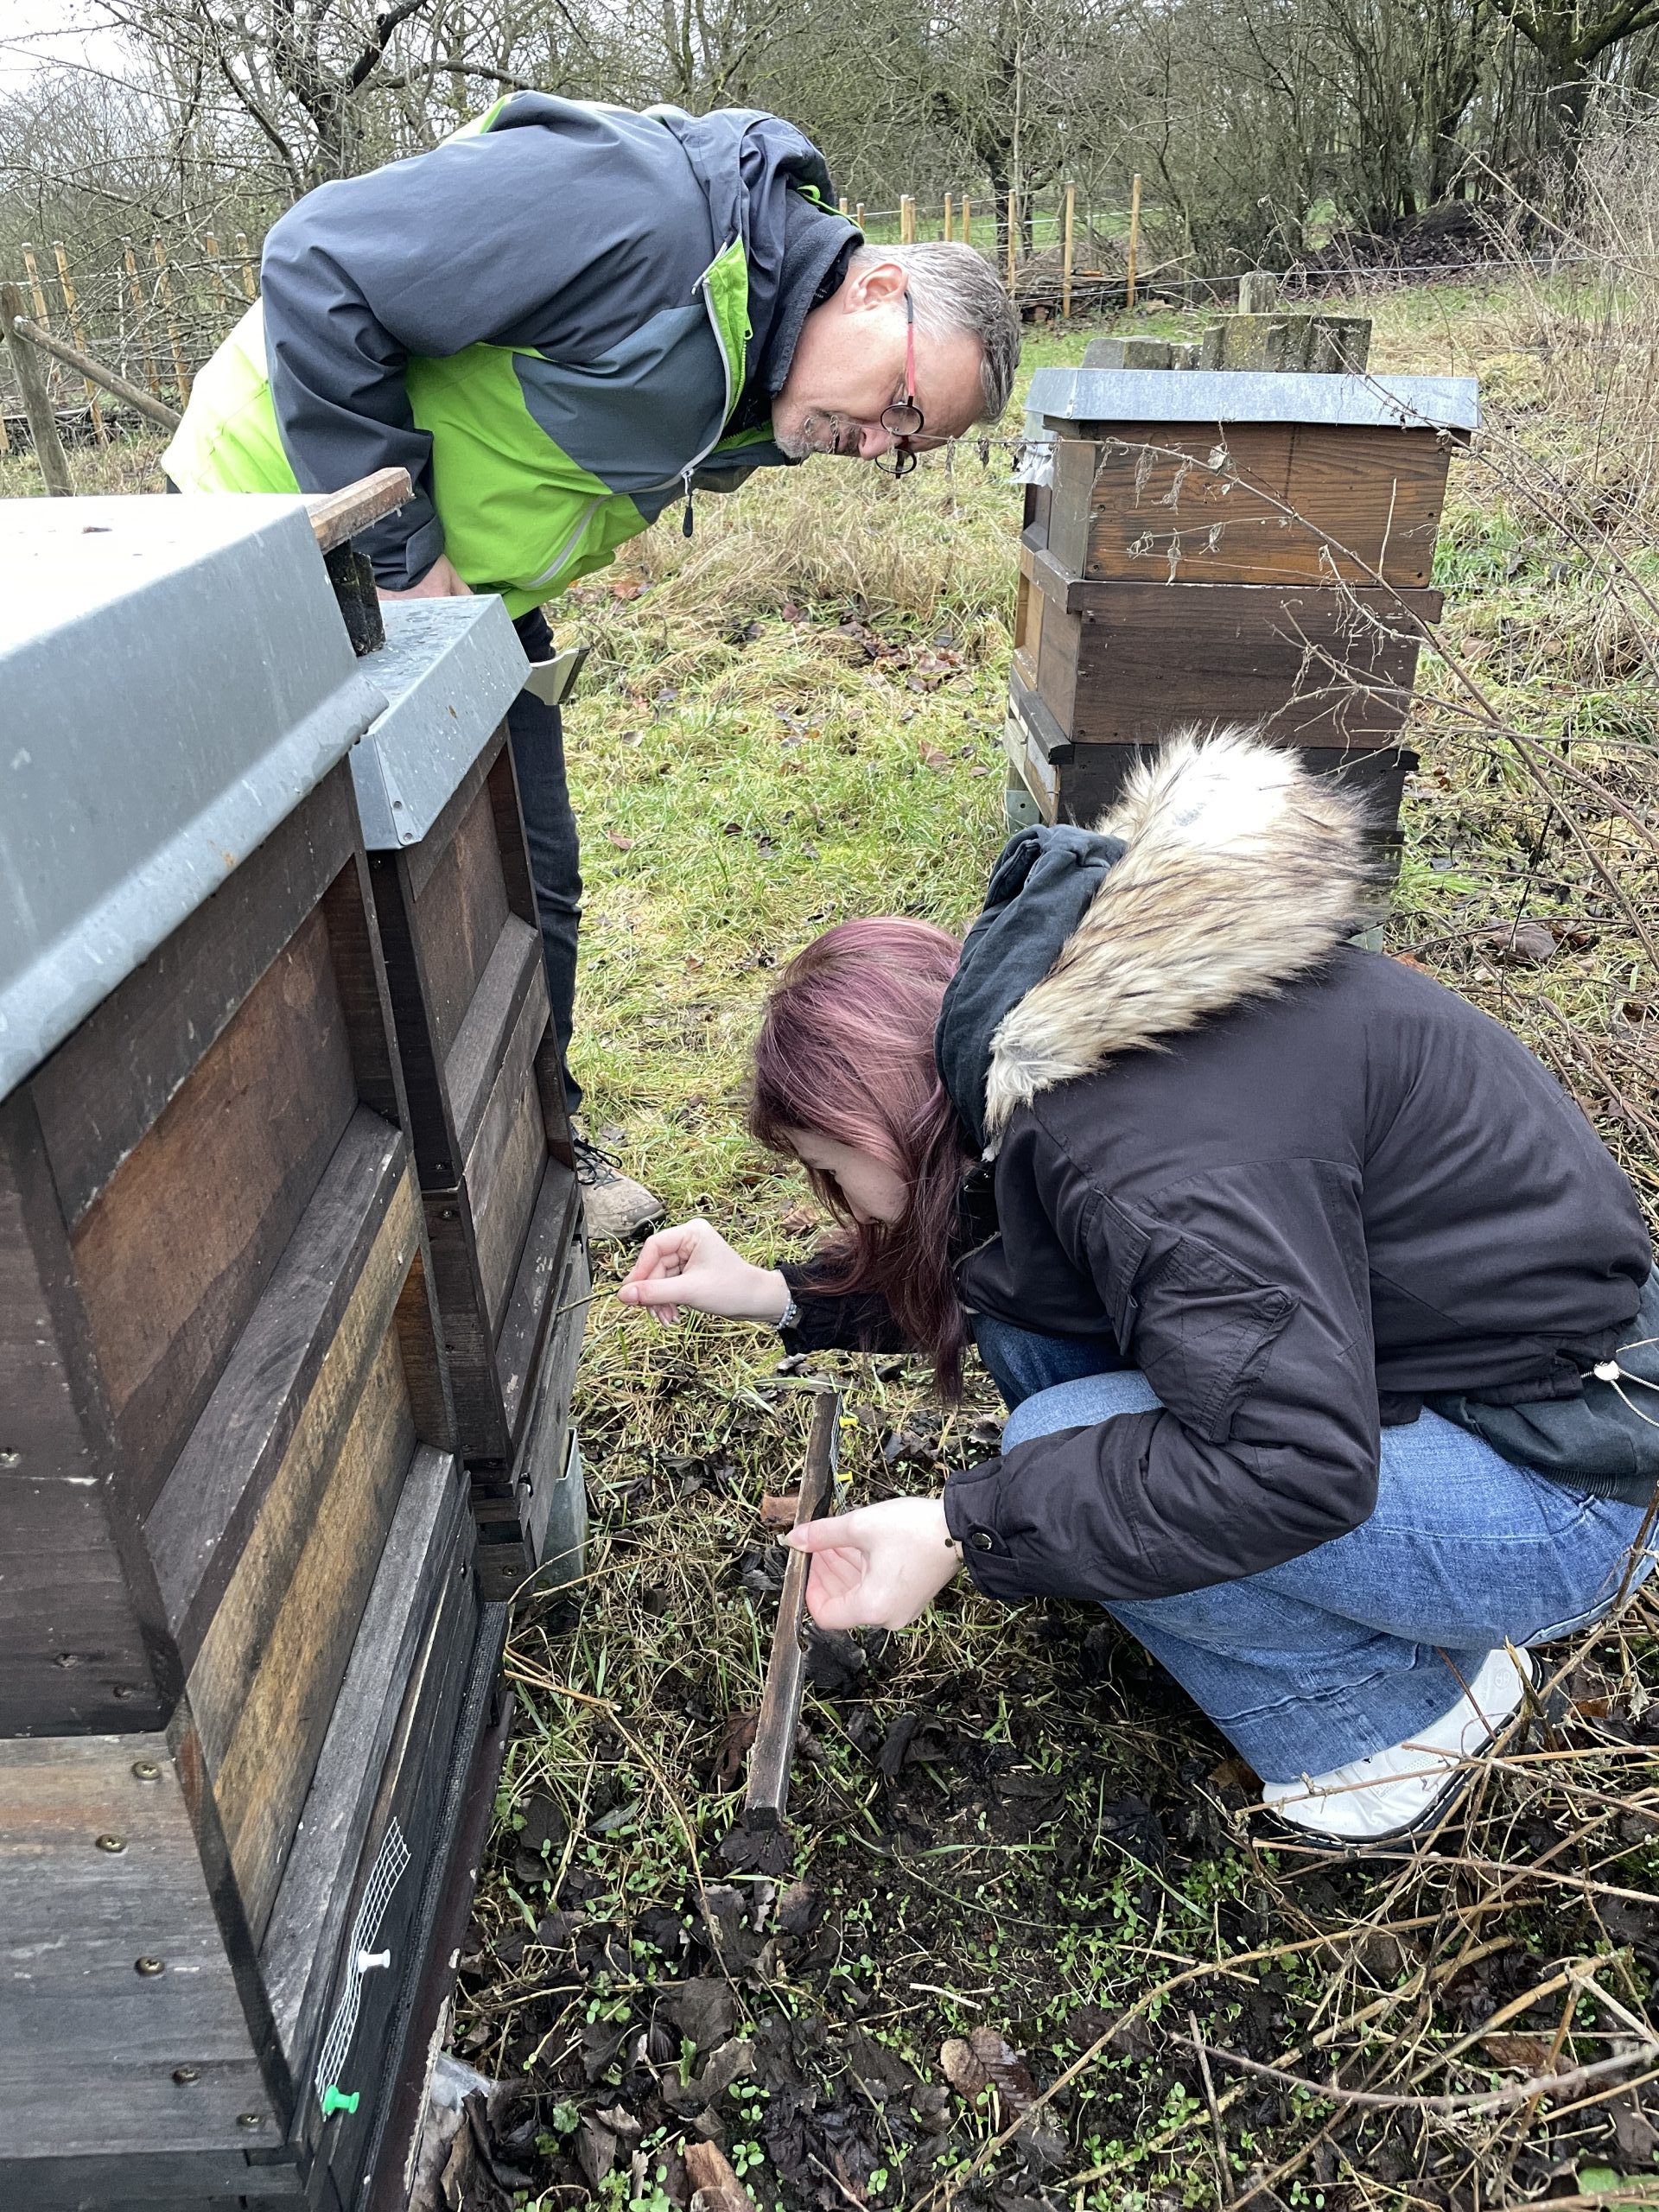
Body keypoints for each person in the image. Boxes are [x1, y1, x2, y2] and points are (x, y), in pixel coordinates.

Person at [619, 733, 1659, 1848]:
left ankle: (1393, 1727)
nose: (834, 1197)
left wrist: (963, 1524)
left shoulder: (1142, 1153)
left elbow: (1287, 1466)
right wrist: (785, 1297)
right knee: (1052, 1379)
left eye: (827, 1162)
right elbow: (1015, 1262)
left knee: (1057, 1439)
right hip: (1471, 1405)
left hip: (1564, 1492)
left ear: (881, 1117)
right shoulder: (1070, 1058)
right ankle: (1343, 1625)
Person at [162, 93, 1020, 1237]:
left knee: (527, 872)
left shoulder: (770, 365)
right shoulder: (647, 217)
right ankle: (320, 1210)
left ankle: (534, 1146)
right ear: (872, 288)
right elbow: (318, 262)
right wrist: (402, 564)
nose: (873, 446)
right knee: (308, 901)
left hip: (459, 596)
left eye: (904, 450)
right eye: (897, 407)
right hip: (277, 533)